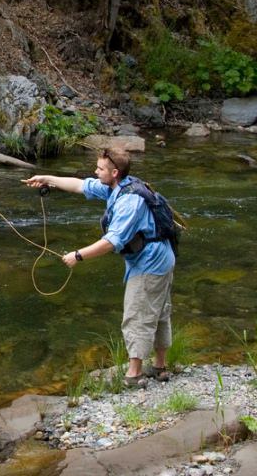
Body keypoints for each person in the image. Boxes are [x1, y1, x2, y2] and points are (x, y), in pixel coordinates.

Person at [23, 148, 175, 386]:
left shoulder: (129, 202)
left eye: (100, 168)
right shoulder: (116, 186)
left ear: (114, 172)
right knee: (159, 311)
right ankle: (159, 366)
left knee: (138, 315)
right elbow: (79, 185)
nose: (95, 171)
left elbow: (112, 242)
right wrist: (47, 179)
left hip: (150, 263)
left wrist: (78, 255)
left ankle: (135, 374)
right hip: (162, 257)